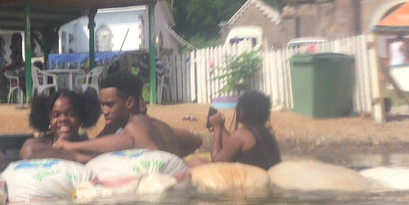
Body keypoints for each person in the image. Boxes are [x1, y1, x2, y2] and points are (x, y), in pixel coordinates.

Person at [44, 71, 200, 160]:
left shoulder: (134, 127)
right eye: (102, 104)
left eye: (109, 104)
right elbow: (196, 141)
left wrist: (71, 146)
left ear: (129, 103)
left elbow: (152, 163)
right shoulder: (158, 125)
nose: (104, 111)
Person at [19, 88, 102, 162]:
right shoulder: (40, 143)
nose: (63, 119)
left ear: (81, 117)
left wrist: (71, 147)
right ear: (49, 119)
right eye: (56, 115)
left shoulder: (87, 147)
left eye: (70, 114)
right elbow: (29, 151)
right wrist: (76, 157)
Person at [208, 89, 281, 170]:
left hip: (251, 179)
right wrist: (221, 125)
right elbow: (231, 144)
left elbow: (216, 162)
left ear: (244, 111)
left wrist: (217, 128)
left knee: (196, 162)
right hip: (264, 175)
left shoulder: (242, 135)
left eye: (239, 106)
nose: (236, 108)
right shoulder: (264, 132)